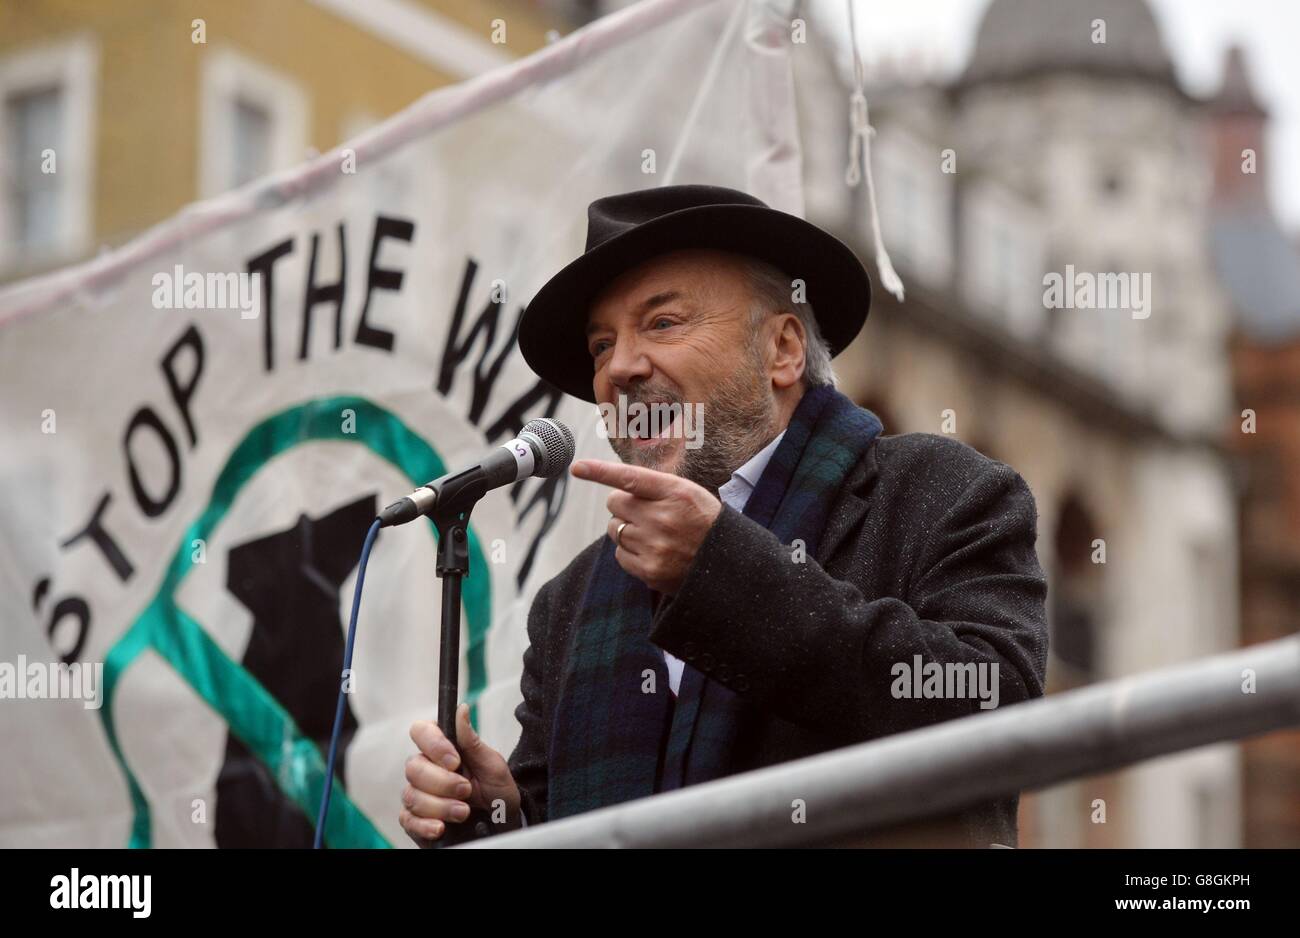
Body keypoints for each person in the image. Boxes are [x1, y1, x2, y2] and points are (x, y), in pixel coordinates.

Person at [398, 185, 1049, 848]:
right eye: (600, 346)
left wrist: (721, 571)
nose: (619, 367)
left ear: (784, 350)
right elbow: (561, 823)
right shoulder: (568, 603)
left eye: (663, 322)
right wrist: (498, 817)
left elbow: (997, 709)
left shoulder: (942, 492)